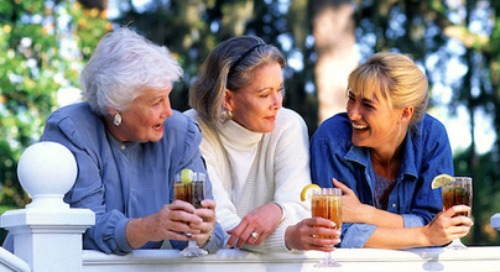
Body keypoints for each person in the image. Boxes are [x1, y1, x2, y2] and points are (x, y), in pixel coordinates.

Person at [3, 27, 223, 255]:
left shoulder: (180, 134)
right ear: (116, 106)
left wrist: (203, 233)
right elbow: (86, 228)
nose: (168, 111)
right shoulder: (71, 130)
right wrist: (149, 228)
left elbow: (208, 237)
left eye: (168, 96)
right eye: (156, 102)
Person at [185, 35, 340, 253]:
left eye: (280, 89)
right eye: (265, 94)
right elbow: (217, 224)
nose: (277, 104)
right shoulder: (191, 130)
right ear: (227, 99)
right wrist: (287, 238)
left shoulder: (288, 124)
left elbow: (300, 208)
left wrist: (278, 210)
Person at [310, 52, 473, 249]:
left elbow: (437, 223)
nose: (352, 113)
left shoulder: (432, 137)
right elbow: (334, 233)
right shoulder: (331, 139)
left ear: (405, 113)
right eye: (351, 99)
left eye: (368, 105)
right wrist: (425, 235)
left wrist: (364, 214)